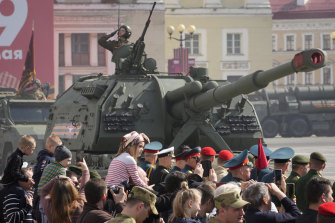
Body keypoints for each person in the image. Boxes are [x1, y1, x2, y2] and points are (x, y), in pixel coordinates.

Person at [40, 159, 90, 223]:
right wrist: (85, 170)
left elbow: (44, 191)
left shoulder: (49, 205)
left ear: (54, 191)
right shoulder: (79, 204)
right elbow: (84, 188)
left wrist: (57, 178)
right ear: (72, 190)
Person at [32, 134, 62, 221]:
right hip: (41, 191)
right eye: (57, 148)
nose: (59, 151)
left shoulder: (51, 158)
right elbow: (39, 173)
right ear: (49, 146)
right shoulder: (46, 158)